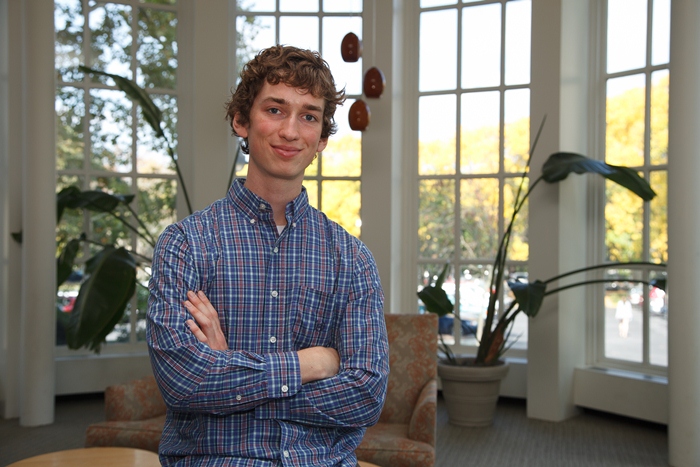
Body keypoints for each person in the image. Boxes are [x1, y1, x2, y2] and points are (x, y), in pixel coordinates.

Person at [147, 45, 390, 466]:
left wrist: (230, 371)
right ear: (241, 121)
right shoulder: (185, 244)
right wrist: (311, 364)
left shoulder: (352, 258)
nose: (291, 131)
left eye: (309, 116)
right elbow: (183, 382)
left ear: (322, 140)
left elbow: (365, 396)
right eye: (275, 110)